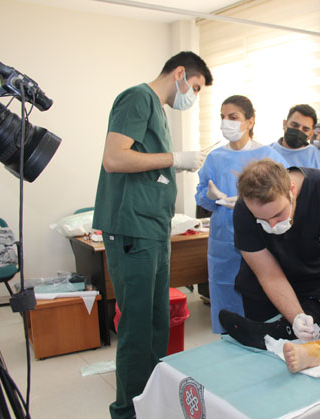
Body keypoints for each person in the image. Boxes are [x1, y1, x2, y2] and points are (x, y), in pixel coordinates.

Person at [92, 51, 212, 419]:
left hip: (153, 228)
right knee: (138, 326)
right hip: (132, 228)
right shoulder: (137, 97)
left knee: (158, 322)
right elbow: (115, 158)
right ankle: (127, 411)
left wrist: (173, 166)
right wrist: (174, 158)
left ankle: (152, 402)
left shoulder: (157, 110)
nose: (193, 96)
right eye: (194, 87)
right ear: (180, 73)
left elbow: (144, 165)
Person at [195, 95, 288, 333]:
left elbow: (285, 193)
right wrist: (211, 196)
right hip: (223, 241)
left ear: (250, 121)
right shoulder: (215, 158)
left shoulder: (268, 156)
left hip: (259, 237)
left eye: (233, 117)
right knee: (226, 296)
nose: (226, 122)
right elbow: (201, 196)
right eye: (223, 117)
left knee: (260, 294)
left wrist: (247, 203)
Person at [232, 159, 320, 341]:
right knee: (270, 348)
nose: (272, 226)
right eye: (262, 220)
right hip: (264, 293)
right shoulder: (243, 210)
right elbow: (269, 275)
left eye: (278, 215)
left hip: (315, 285)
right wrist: (296, 316)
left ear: (292, 190)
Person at [269, 104, 320, 173]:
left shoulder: (317, 160)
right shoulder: (268, 153)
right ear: (284, 124)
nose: (299, 131)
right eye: (295, 125)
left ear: (311, 134)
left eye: (305, 129)